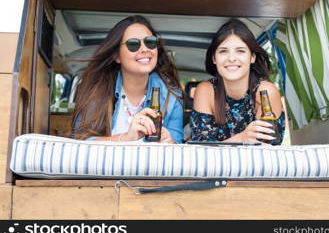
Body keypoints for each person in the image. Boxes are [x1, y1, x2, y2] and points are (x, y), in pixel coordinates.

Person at [71, 15, 183, 143]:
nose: (145, 49)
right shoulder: (97, 90)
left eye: (150, 42)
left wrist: (169, 142)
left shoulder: (172, 95)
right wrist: (126, 138)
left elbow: (178, 148)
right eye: (133, 44)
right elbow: (80, 144)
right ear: (117, 56)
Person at [190, 19, 285, 144]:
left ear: (252, 57)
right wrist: (241, 139)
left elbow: (267, 148)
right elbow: (201, 152)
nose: (231, 58)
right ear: (214, 58)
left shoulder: (266, 92)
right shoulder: (206, 90)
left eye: (240, 51)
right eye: (223, 51)